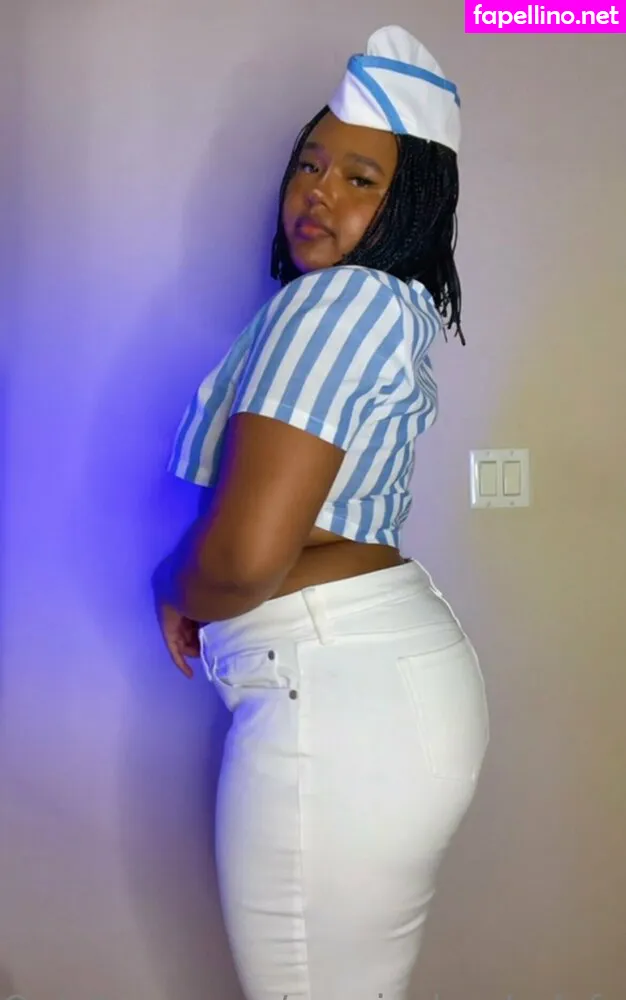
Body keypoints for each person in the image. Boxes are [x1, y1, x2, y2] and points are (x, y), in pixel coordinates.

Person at [153, 24, 491, 1000]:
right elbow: (283, 525)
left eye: (358, 178)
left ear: (411, 203)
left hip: (337, 697)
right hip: (360, 688)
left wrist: (175, 580)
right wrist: (203, 577)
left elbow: (245, 559)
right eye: (308, 165)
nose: (316, 192)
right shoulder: (384, 306)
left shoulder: (339, 303)